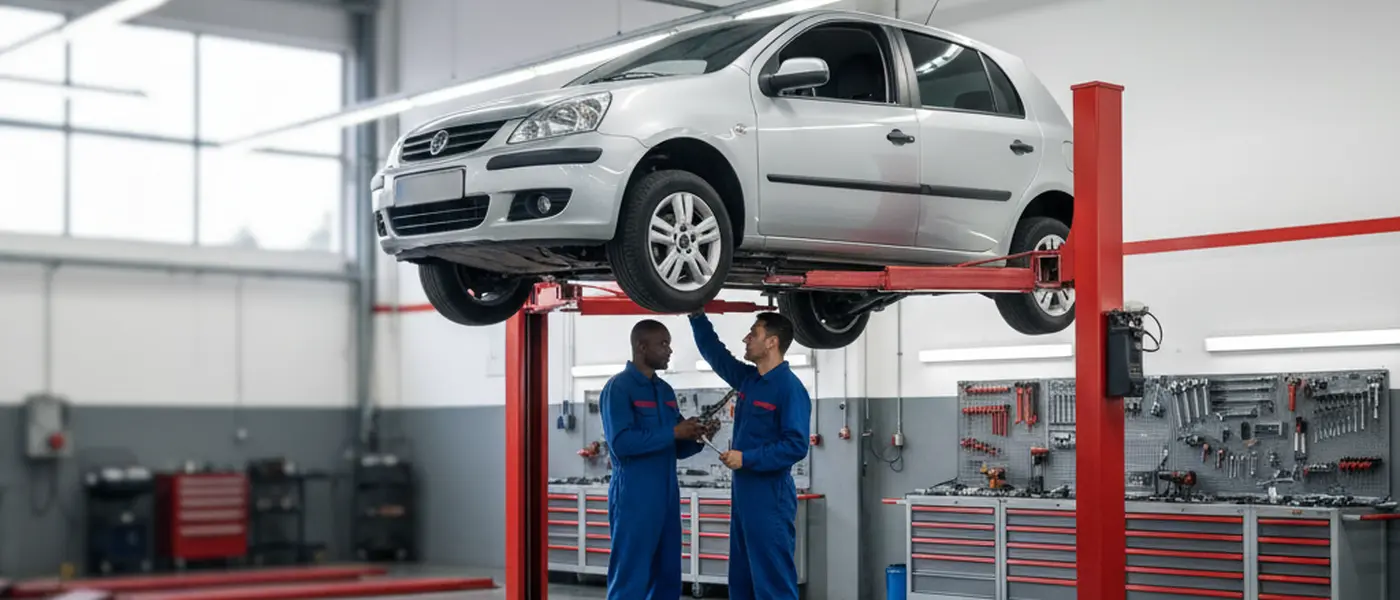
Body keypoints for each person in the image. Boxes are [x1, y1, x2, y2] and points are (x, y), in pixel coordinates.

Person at [687, 310, 811, 600]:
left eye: (753, 333)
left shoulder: (790, 389)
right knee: (742, 581)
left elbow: (795, 445)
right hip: (743, 495)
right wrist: (696, 315)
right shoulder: (749, 381)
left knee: (772, 582)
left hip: (770, 498)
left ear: (772, 342)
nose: (746, 338)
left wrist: (746, 458)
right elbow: (716, 355)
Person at [599, 319, 708, 600]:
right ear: (641, 346)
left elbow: (675, 447)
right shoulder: (619, 389)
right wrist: (673, 431)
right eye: (663, 344)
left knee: (668, 574)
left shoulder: (665, 391)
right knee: (631, 576)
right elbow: (621, 443)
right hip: (634, 497)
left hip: (667, 496)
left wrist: (696, 436)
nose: (669, 351)